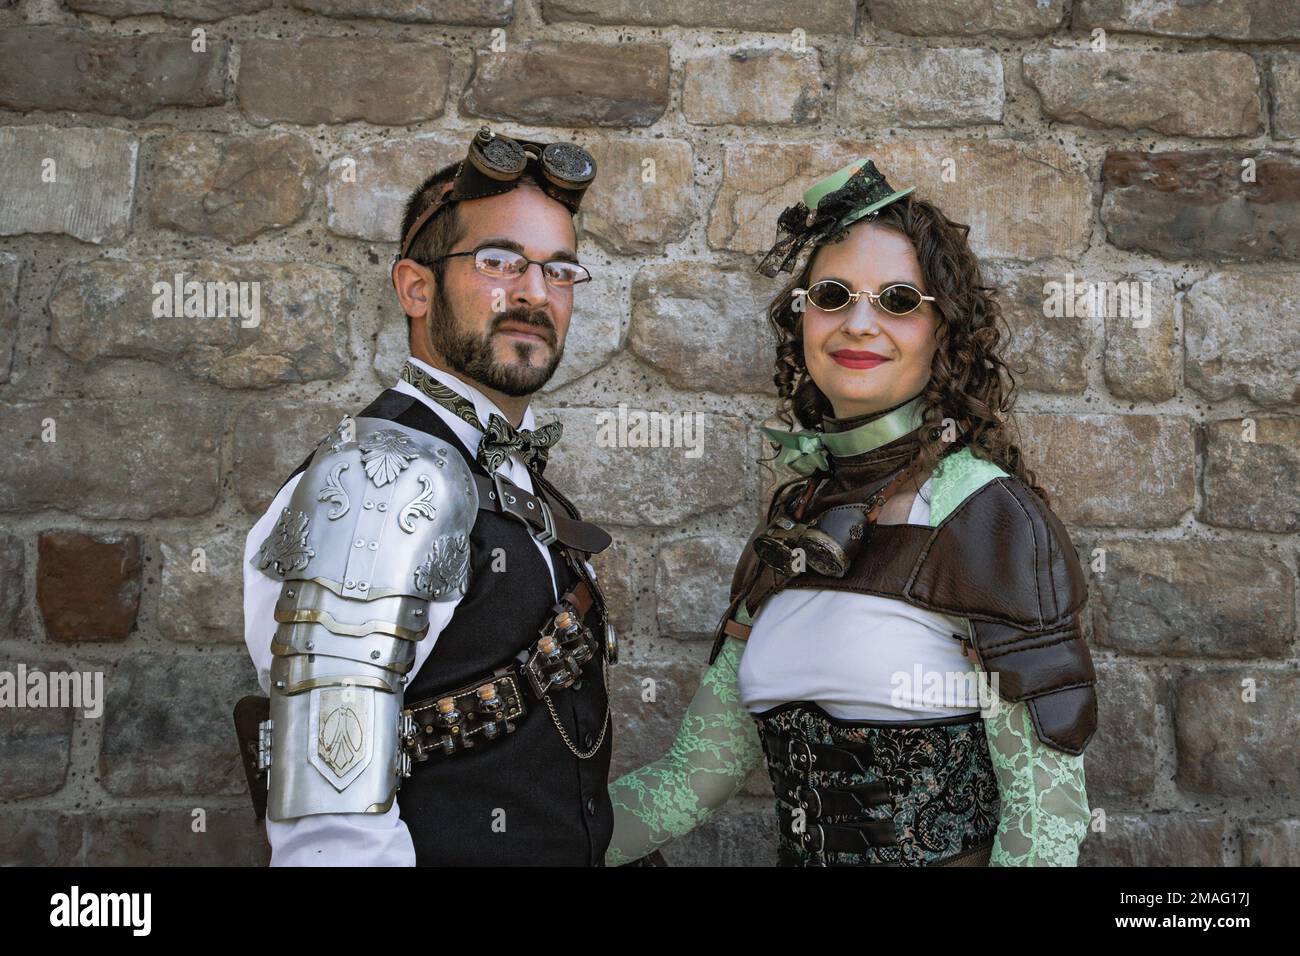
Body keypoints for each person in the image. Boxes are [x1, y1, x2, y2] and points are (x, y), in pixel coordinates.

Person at [605, 159, 1097, 866]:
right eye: (833, 295)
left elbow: (1044, 824)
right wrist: (534, 841)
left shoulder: (988, 516)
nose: (860, 323)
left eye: (899, 300)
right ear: (803, 319)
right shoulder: (790, 529)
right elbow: (691, 782)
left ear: (943, 330)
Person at [238, 127, 621, 866]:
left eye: (560, 271)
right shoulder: (376, 479)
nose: (534, 294)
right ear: (416, 287)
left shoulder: (513, 475)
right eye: (499, 261)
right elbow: (330, 828)